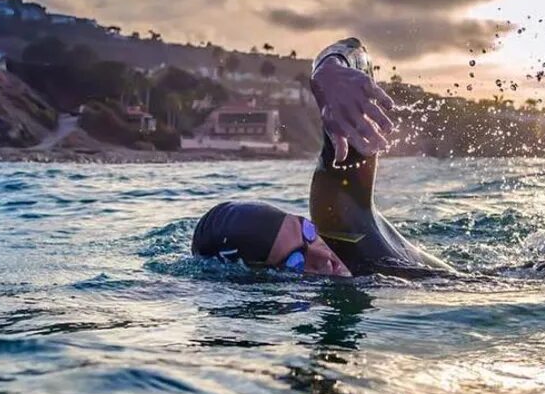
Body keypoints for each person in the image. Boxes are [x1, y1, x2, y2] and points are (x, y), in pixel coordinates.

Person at [191, 38, 453, 278]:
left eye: (306, 232)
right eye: (295, 261)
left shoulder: (339, 220)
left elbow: (354, 50)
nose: (322, 257)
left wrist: (328, 71)